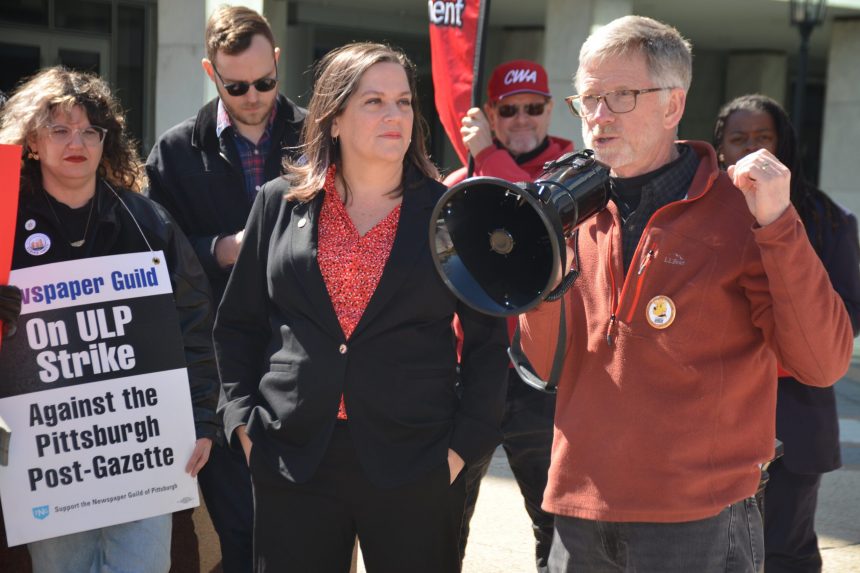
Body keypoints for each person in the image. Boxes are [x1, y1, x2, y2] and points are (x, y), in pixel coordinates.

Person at [515, 16, 854, 573]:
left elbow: (822, 362)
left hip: (700, 521)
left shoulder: (743, 211)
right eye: (589, 99)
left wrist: (779, 224)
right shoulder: (567, 211)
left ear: (673, 105)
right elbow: (542, 363)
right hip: (578, 514)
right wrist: (539, 269)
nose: (597, 117)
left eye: (619, 97)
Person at [214, 42, 508, 573]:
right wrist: (244, 428)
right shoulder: (278, 204)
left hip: (415, 461)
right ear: (333, 120)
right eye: (373, 102)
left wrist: (461, 450)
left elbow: (489, 344)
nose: (394, 115)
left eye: (403, 101)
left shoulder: (453, 216)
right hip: (293, 458)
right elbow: (237, 326)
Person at [0, 67, 219, 572]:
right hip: (45, 462)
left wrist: (203, 417)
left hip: (141, 456)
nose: (76, 141)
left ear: (106, 141)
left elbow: (193, 323)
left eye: (89, 131)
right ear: (33, 140)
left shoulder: (147, 223)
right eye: (59, 128)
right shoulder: (5, 227)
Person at [144, 6, 306, 571]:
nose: (255, 96)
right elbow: (151, 252)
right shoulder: (175, 151)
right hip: (220, 365)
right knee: (238, 531)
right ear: (212, 73)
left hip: (306, 360)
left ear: (278, 63)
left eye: (266, 81)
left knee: (306, 531)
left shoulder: (319, 134)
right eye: (237, 87)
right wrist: (221, 248)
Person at [714, 93, 860, 573]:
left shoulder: (826, 218)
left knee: (784, 553)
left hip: (795, 418)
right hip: (714, 420)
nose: (752, 148)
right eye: (739, 139)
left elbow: (850, 313)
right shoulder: (698, 215)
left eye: (763, 137)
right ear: (720, 150)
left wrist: (785, 344)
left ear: (784, 144)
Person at [443, 59, 571, 572]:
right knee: (443, 517)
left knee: (557, 522)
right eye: (509, 109)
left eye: (533, 108)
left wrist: (488, 155)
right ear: (491, 113)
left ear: (550, 110)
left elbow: (537, 215)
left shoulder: (575, 172)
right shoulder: (463, 177)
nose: (522, 119)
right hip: (469, 369)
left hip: (544, 375)